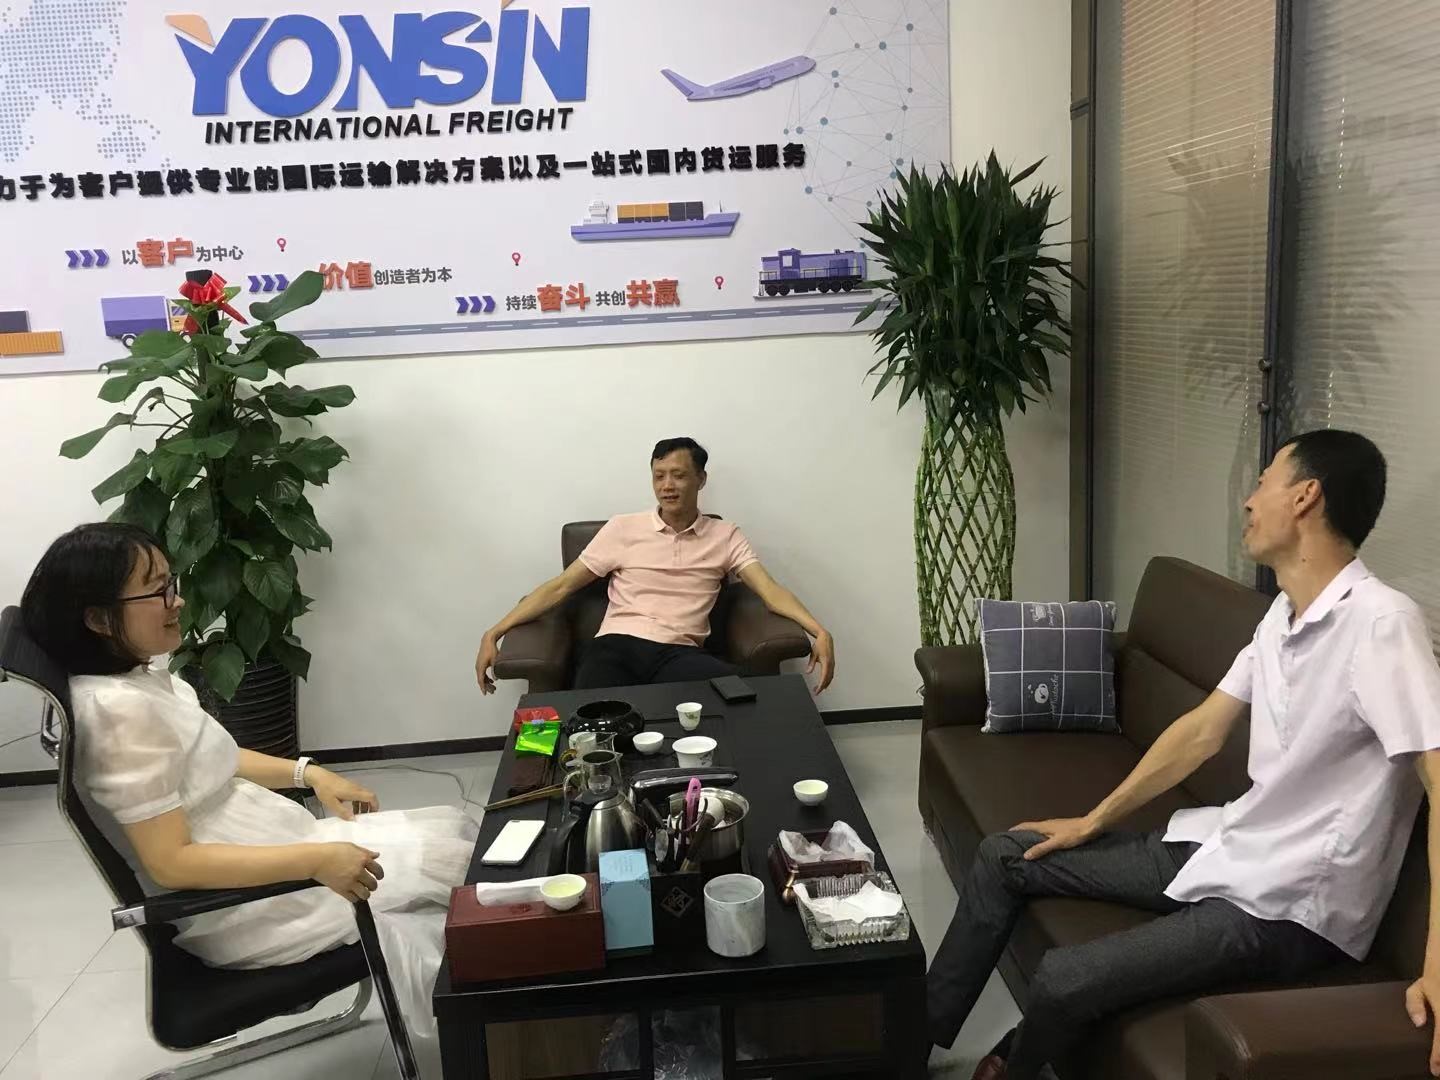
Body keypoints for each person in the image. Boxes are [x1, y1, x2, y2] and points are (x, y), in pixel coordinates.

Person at [928, 429, 1440, 1080]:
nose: (1249, 500)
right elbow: (1201, 731)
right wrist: (1091, 821)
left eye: (1264, 482)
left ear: (1306, 497)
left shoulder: (1382, 624)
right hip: (1229, 846)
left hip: (1290, 908)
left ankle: (1009, 1065)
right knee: (1005, 855)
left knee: (1064, 975)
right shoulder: (1283, 615)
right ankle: (910, 1042)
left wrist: (1436, 964)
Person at [20, 523, 477, 1065]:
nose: (177, 600)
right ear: (97, 619)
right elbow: (170, 863)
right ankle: (512, 1034)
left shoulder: (134, 680)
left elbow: (211, 756)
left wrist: (310, 775)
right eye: (158, 590)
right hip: (257, 907)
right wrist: (316, 862)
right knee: (471, 875)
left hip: (283, 857)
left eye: (172, 582)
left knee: (459, 834)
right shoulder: (119, 715)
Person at [474, 437, 836, 693]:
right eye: (659, 475)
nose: (667, 486)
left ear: (701, 479)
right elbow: (561, 586)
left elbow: (769, 590)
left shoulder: (725, 535)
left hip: (681, 654)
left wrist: (818, 630)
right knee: (595, 725)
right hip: (616, 647)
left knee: (749, 698)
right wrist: (494, 632)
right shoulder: (623, 528)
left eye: (678, 475)